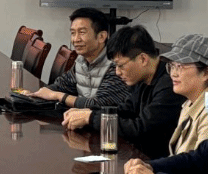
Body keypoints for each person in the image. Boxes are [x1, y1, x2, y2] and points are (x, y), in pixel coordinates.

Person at [62, 25, 184, 159]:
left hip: (158, 162)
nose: (117, 72)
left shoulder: (170, 84)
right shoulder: (143, 78)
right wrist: (88, 112)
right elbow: (125, 110)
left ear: (143, 59)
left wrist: (91, 118)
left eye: (121, 65)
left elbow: (141, 128)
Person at [29, 8, 126, 108]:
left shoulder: (117, 66)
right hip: (80, 116)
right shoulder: (81, 61)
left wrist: (58, 96)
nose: (76, 39)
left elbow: (100, 105)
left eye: (82, 32)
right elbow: (61, 86)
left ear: (101, 36)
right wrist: (34, 95)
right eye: (73, 33)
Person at [165, 34, 208, 155]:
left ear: (206, 73)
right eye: (172, 66)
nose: (173, 74)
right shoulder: (189, 102)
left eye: (180, 66)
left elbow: (200, 162)